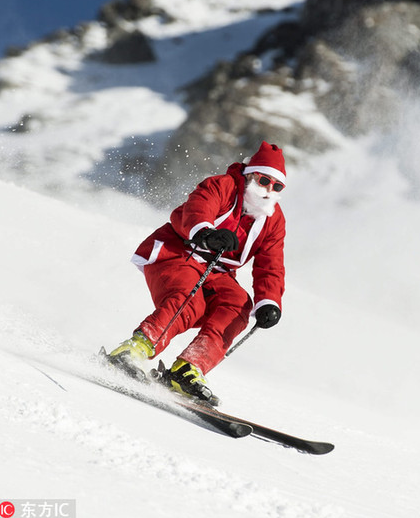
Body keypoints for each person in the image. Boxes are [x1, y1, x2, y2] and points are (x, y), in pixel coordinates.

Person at [106, 141, 287, 404]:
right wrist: (206, 233)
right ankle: (134, 349)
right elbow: (197, 208)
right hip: (179, 252)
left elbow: (271, 264)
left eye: (277, 186)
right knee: (189, 299)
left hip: (217, 272)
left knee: (238, 304)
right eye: (264, 181)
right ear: (250, 174)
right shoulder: (223, 186)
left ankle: (188, 369)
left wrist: (269, 301)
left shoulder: (273, 220)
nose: (268, 190)